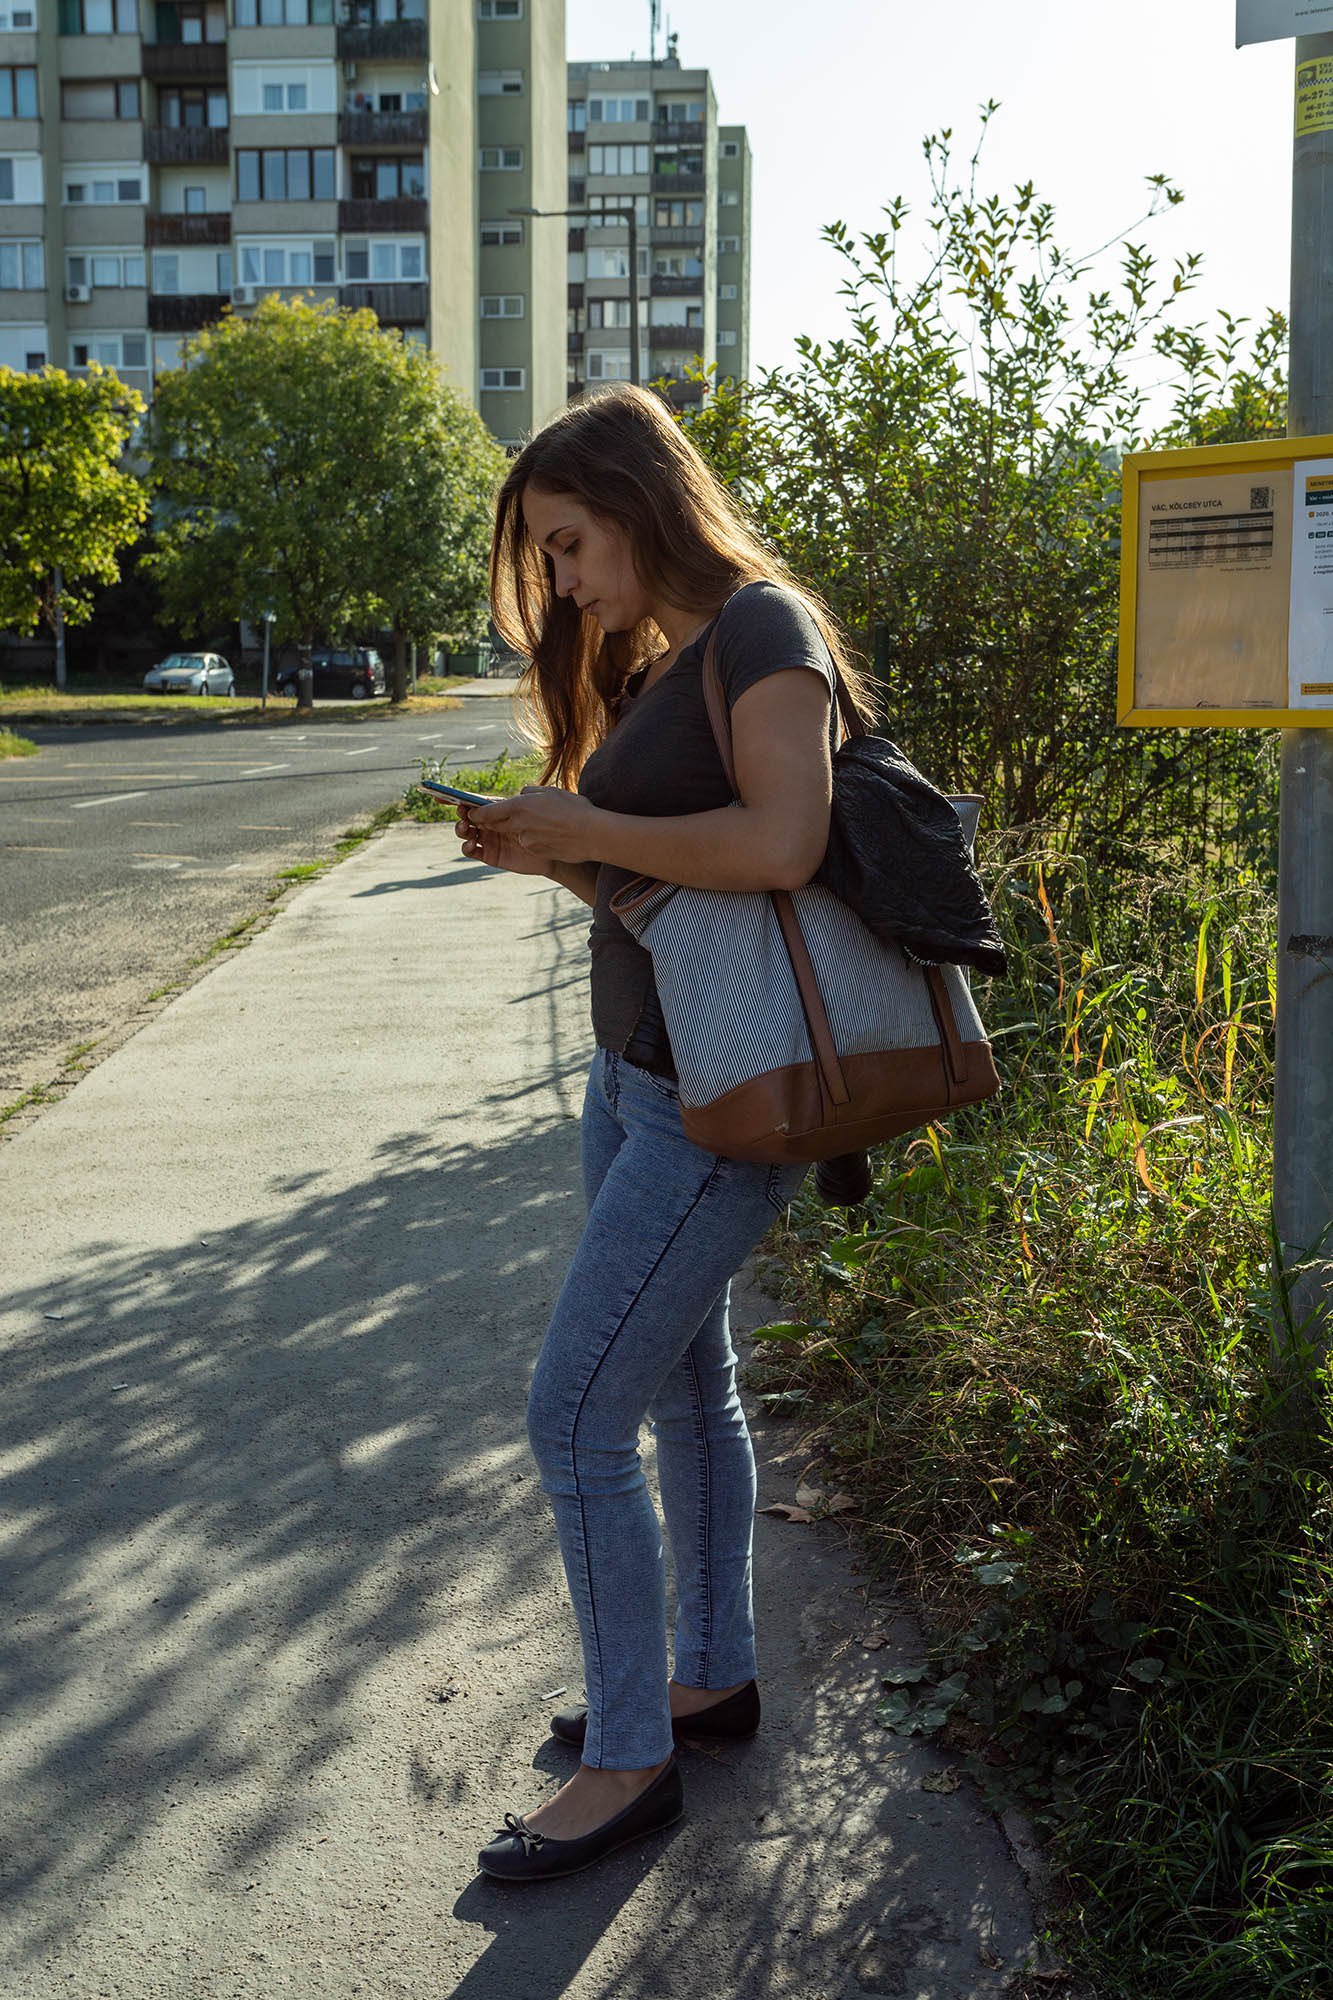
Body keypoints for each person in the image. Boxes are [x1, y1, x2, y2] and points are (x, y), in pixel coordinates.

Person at [457, 384, 875, 1885]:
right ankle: (710, 1677)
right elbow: (670, 896)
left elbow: (783, 843)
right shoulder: (666, 662)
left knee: (574, 1417)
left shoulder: (766, 629)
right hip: (641, 1080)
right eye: (548, 559)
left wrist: (590, 825)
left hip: (724, 1101)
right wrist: (554, 855)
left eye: (569, 545)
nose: (562, 581)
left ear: (639, 505)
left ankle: (629, 1761)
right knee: (690, 1392)